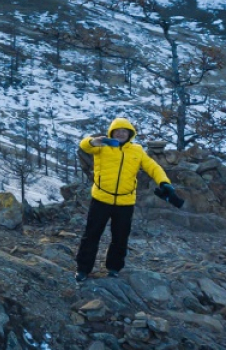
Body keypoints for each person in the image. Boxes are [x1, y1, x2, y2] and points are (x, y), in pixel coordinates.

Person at [74, 116, 178, 283]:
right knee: (92, 235)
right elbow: (84, 145)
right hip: (101, 199)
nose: (121, 133)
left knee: (120, 237)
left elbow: (153, 167)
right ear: (112, 132)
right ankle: (83, 269)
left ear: (130, 134)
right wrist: (94, 142)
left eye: (124, 131)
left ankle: (114, 268)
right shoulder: (102, 146)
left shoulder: (137, 150)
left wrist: (164, 182)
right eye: (117, 131)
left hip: (125, 202)